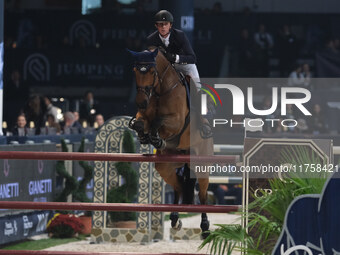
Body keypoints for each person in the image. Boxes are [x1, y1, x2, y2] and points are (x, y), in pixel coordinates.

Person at [146, 10, 212, 137]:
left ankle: (204, 119)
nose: (163, 27)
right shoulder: (151, 39)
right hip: (164, 69)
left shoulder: (179, 35)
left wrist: (175, 58)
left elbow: (192, 58)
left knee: (197, 87)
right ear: (156, 26)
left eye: (165, 24)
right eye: (160, 24)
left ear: (170, 25)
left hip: (184, 65)